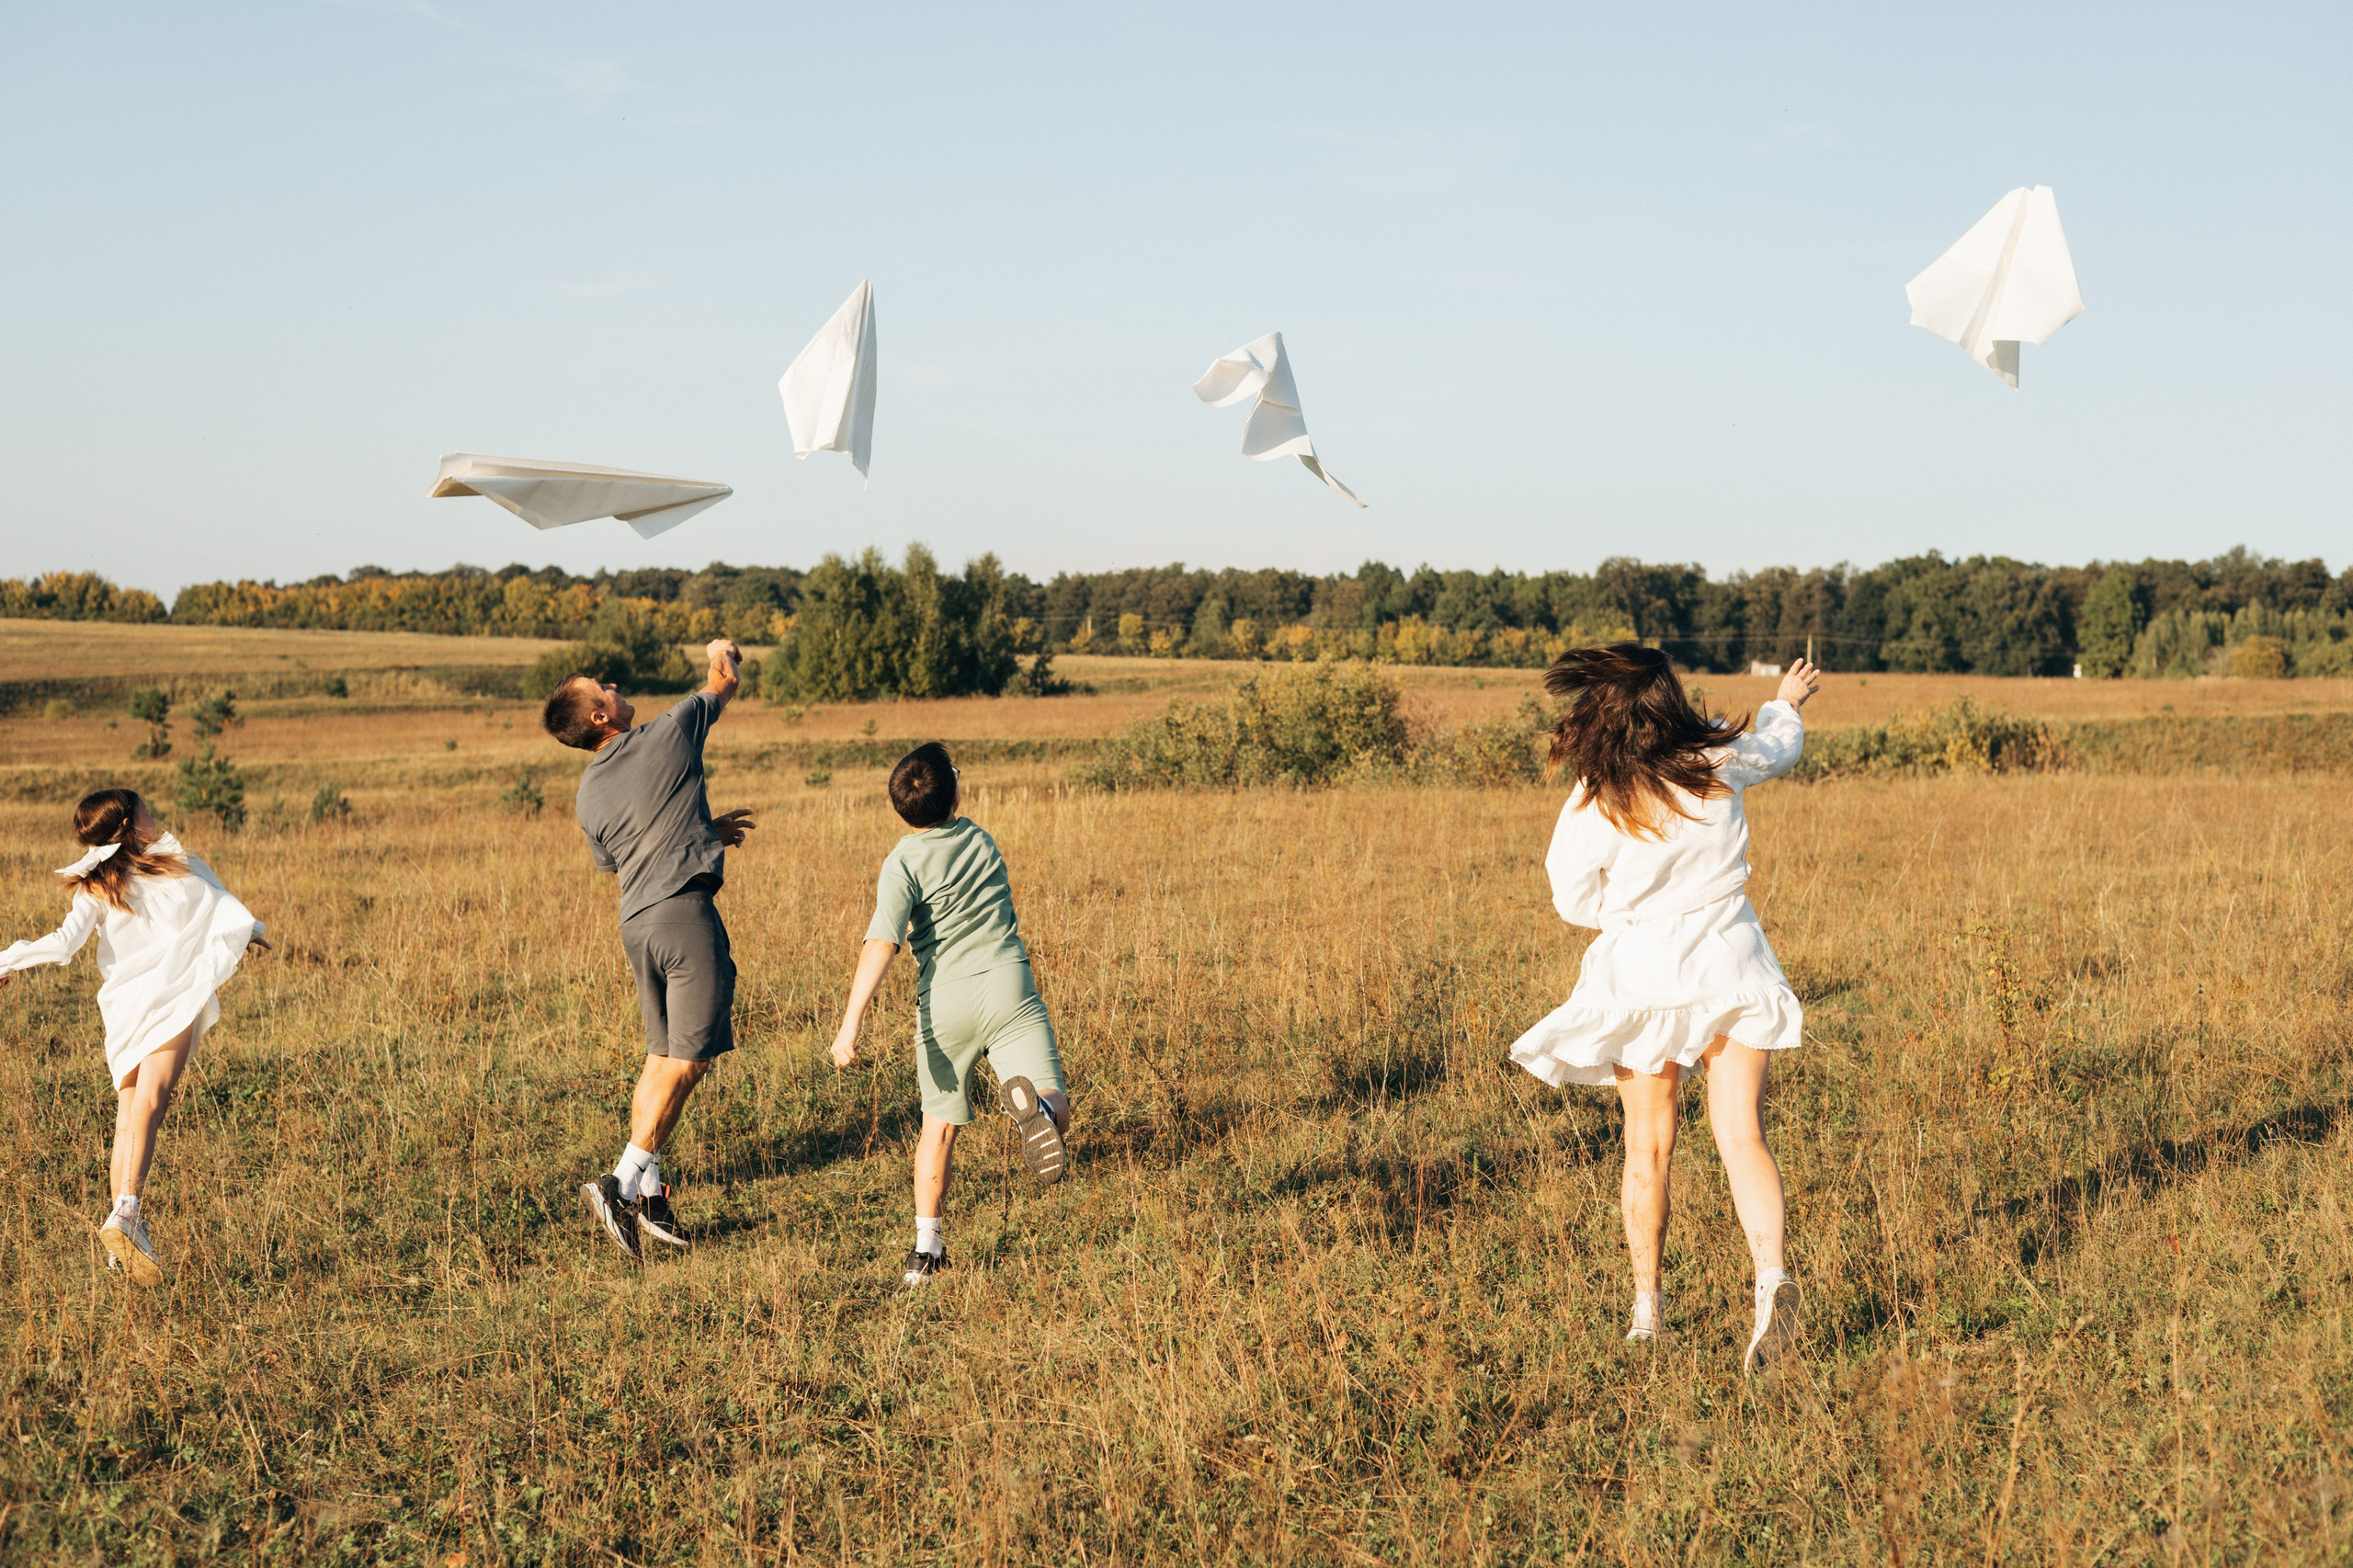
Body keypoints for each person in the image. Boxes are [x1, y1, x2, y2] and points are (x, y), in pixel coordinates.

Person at [1507, 645, 1819, 1372]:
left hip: (1643, 975)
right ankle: (1771, 1281)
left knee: (1648, 1144)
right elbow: (1780, 745)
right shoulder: (1716, 756)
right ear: (1669, 702)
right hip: (1733, 960)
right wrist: (1787, 698)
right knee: (1742, 1135)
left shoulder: (1598, 792)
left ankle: (1648, 1314)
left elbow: (1570, 896)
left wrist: (1630, 907)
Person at [0, 789, 267, 1285]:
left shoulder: (95, 885)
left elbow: (63, 947)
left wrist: (6, 961)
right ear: (128, 824)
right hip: (172, 996)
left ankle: (122, 1235)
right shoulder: (172, 864)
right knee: (152, 1100)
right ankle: (127, 1212)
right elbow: (216, 904)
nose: (153, 814)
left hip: (124, 1006)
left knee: (128, 1113)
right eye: (144, 810)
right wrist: (248, 929)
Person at [542, 639, 756, 1260]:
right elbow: (723, 682)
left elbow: (620, 859)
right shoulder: (670, 732)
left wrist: (700, 832)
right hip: (684, 914)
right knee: (690, 1061)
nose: (610, 683)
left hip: (637, 924)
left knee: (660, 1057)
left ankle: (652, 1200)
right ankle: (619, 1182)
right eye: (599, 687)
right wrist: (724, 649)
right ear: (600, 717)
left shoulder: (587, 794)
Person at [830, 742, 1070, 1286]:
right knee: (1055, 1095)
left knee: (936, 1128)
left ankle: (926, 1249)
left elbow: (882, 944)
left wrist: (850, 1026)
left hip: (944, 1004)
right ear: (954, 792)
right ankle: (1041, 1118)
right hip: (1009, 985)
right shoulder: (981, 839)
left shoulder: (901, 862)